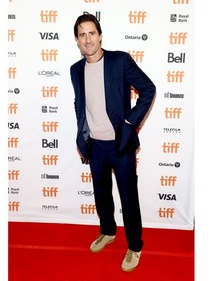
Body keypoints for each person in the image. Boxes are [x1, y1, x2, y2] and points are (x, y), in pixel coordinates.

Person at [70, 13, 156, 272]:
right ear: (77, 40)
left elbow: (148, 89)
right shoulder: (75, 70)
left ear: (100, 35)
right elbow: (80, 103)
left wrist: (130, 124)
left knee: (129, 197)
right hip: (95, 145)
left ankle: (135, 246)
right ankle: (108, 231)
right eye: (82, 35)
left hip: (120, 144)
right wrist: (82, 133)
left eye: (92, 33)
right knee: (102, 195)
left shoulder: (119, 60)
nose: (88, 39)